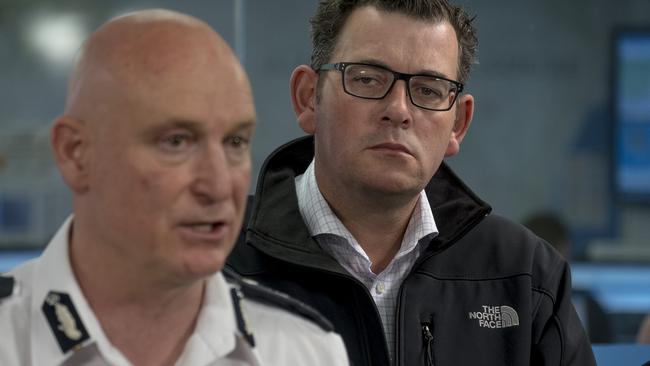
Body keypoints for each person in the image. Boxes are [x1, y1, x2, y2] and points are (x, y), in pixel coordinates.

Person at [226, 0, 596, 365]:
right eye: (367, 79)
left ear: (458, 125)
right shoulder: (216, 261)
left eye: (429, 90)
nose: (399, 110)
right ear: (308, 99)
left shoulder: (526, 274)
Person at [0, 9, 349, 366]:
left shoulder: (305, 351)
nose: (217, 186)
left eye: (235, 142)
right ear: (75, 154)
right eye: (176, 142)